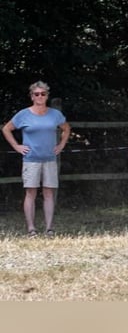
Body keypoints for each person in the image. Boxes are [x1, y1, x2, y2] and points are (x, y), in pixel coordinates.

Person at [2, 81, 70, 237]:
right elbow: (6, 129)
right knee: (30, 193)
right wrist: (16, 146)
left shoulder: (55, 114)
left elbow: (66, 129)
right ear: (32, 96)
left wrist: (61, 145)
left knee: (48, 193)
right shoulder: (23, 114)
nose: (40, 96)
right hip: (30, 159)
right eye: (36, 94)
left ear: (47, 96)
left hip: (50, 159)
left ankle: (49, 228)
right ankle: (31, 229)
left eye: (43, 94)